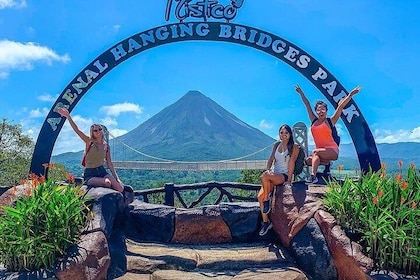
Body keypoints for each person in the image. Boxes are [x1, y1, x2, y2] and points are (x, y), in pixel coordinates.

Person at [295, 84, 361, 184]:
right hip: (321, 153)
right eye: (318, 109)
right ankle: (326, 164)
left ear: (326, 110)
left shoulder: (330, 121)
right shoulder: (313, 121)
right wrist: (301, 93)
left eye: (323, 109)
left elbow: (340, 107)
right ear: (316, 111)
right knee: (308, 161)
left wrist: (350, 94)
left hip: (332, 151)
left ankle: (313, 176)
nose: (320, 111)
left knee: (315, 153)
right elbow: (307, 105)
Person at [57, 107, 124, 192]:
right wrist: (68, 116)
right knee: (107, 183)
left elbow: (109, 163)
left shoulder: (106, 146)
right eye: (95, 130)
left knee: (120, 188)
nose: (98, 131)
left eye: (100, 129)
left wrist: (117, 178)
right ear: (92, 133)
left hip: (101, 171)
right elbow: (77, 130)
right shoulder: (89, 141)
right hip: (90, 173)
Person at [258, 124, 299, 236]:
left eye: (286, 132)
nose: (283, 134)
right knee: (259, 196)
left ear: (290, 134)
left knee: (265, 177)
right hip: (273, 175)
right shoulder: (276, 145)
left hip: (283, 175)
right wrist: (268, 169)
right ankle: (266, 222)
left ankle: (267, 201)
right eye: (281, 132)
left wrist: (289, 180)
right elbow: (271, 158)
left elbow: (292, 163)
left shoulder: (294, 146)